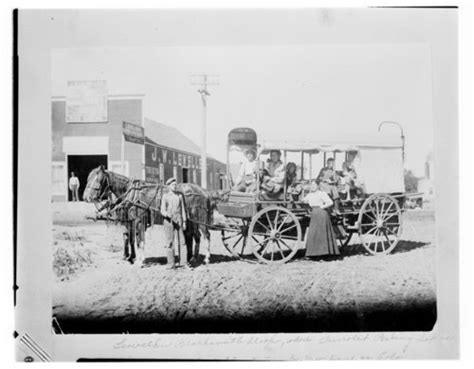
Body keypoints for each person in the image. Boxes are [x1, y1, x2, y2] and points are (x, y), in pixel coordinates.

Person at [303, 180, 340, 257]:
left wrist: (322, 207)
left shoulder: (322, 194)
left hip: (322, 214)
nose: (312, 187)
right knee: (313, 233)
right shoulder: (309, 195)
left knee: (322, 234)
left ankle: (324, 254)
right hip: (314, 214)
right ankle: (313, 254)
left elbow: (330, 202)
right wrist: (304, 200)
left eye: (314, 185)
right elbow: (304, 200)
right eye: (311, 185)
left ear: (318, 186)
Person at [160, 177, 187, 268]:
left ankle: (183, 262)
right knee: (169, 242)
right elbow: (162, 210)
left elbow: (183, 209)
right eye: (172, 185)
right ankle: (171, 263)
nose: (174, 186)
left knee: (182, 242)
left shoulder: (179, 195)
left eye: (175, 185)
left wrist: (184, 221)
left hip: (179, 219)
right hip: (168, 221)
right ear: (168, 186)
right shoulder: (165, 196)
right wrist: (168, 215)